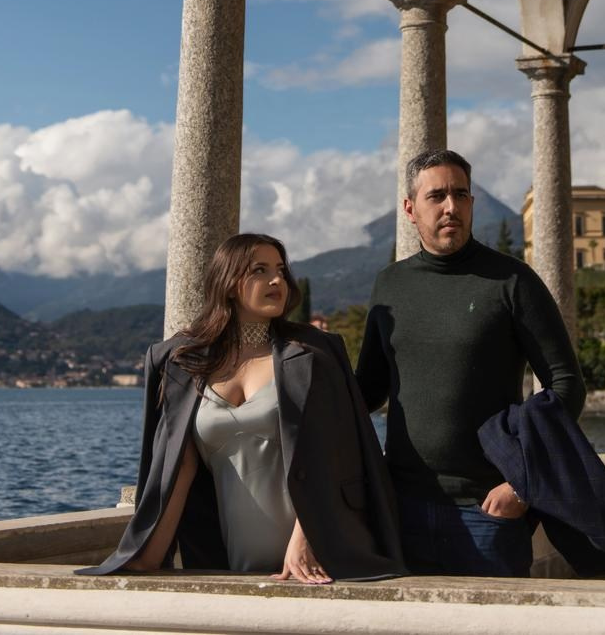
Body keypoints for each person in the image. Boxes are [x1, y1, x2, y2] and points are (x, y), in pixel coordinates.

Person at [82, 233, 406, 581]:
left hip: (314, 564)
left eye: (281, 270)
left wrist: (309, 539)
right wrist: (146, 555)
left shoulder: (313, 356)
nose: (276, 280)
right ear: (230, 284)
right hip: (230, 564)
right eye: (260, 270)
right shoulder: (185, 364)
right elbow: (179, 468)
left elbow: (336, 456)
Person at [356, 149, 587, 577]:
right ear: (409, 208)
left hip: (489, 511)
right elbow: (366, 390)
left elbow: (565, 383)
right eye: (437, 196)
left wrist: (523, 482)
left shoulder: (513, 280)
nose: (451, 207)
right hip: (402, 508)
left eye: (461, 195)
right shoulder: (390, 284)